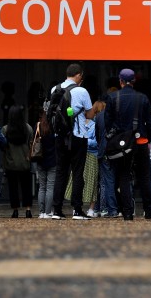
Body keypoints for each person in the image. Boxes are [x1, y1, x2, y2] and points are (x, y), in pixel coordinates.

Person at [103, 68, 151, 221]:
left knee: (124, 176)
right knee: (144, 176)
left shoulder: (113, 98)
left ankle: (127, 212)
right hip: (140, 141)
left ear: (120, 81)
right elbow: (150, 122)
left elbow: (108, 122)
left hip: (122, 143)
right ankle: (148, 210)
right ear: (134, 81)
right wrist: (148, 138)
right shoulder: (143, 98)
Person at [50, 63, 99, 220]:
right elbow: (90, 115)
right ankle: (77, 210)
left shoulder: (55, 89)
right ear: (78, 75)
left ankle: (56, 210)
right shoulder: (81, 90)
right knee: (78, 172)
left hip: (59, 136)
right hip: (78, 136)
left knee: (60, 173)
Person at [65, 101, 105, 218]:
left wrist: (82, 141)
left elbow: (96, 141)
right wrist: (84, 140)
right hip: (79, 155)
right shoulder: (75, 124)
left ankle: (91, 208)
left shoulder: (93, 124)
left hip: (91, 156)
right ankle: (77, 207)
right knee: (77, 181)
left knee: (92, 182)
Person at [1, 105, 34, 218]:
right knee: (26, 187)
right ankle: (28, 210)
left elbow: (3, 146)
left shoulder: (5, 129)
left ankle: (15, 210)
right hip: (25, 162)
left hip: (11, 163)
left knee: (13, 188)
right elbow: (31, 144)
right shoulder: (28, 128)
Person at [35, 109, 57, 219]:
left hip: (40, 159)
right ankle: (48, 212)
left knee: (41, 187)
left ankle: (41, 212)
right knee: (50, 187)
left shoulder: (38, 126)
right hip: (52, 160)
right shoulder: (53, 127)